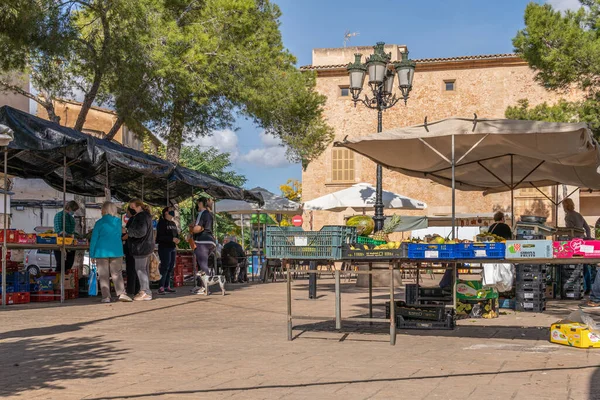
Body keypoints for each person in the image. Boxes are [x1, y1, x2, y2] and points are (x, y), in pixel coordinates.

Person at [90, 202, 132, 303]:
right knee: (117, 273)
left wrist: (92, 254)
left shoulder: (99, 223)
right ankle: (121, 293)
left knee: (103, 275)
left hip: (101, 252)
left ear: (104, 210)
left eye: (101, 209)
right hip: (116, 251)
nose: (101, 211)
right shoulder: (118, 222)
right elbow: (120, 234)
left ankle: (106, 297)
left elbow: (94, 239)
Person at [127, 199, 154, 301]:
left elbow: (141, 232)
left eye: (132, 207)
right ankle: (146, 291)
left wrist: (128, 231)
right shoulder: (146, 216)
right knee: (144, 269)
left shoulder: (141, 216)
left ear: (138, 206)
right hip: (145, 246)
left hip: (140, 247)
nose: (131, 209)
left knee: (140, 269)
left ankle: (145, 291)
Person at [190, 197, 215, 294]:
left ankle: (206, 287)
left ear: (200, 203)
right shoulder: (209, 214)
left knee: (203, 265)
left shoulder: (202, 213)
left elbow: (198, 228)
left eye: (197, 203)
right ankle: (200, 285)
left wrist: (191, 230)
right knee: (201, 264)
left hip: (202, 241)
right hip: (209, 241)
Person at [156, 206, 179, 295]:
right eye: (171, 211)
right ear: (166, 213)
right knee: (164, 267)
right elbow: (159, 237)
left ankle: (167, 285)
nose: (173, 212)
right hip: (164, 248)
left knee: (170, 267)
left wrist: (177, 239)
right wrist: (171, 239)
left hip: (173, 247)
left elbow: (176, 234)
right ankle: (161, 286)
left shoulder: (173, 223)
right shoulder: (161, 223)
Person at [53, 200, 79, 272]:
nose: (74, 212)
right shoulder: (59, 215)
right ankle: (58, 280)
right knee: (60, 264)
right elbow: (59, 230)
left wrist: (78, 236)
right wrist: (67, 234)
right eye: (73, 210)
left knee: (69, 264)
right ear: (69, 208)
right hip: (60, 242)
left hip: (70, 243)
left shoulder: (71, 217)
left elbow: (72, 230)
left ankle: (67, 280)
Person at [122, 209, 140, 297]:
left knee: (131, 270)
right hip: (135, 248)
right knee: (135, 270)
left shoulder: (133, 220)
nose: (126, 213)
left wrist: (122, 237)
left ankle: (131, 290)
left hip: (131, 248)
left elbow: (128, 234)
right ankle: (136, 289)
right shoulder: (137, 220)